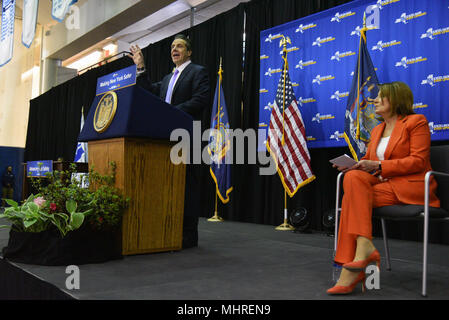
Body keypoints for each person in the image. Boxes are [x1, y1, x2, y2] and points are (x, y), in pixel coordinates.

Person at [327, 81, 440, 295]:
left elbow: (418, 161)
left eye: (381, 96)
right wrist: (355, 164)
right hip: (381, 185)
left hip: (410, 188)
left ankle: (350, 267)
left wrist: (378, 166)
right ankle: (363, 251)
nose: (374, 100)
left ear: (396, 99)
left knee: (351, 199)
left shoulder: (416, 122)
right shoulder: (377, 129)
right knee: (352, 178)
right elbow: (369, 163)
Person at [129, 34, 210, 249]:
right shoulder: (167, 79)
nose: (175, 49)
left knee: (188, 188)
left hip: (188, 138)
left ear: (189, 52)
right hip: (166, 140)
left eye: (180, 46)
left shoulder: (198, 72)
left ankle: (188, 237)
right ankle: (169, 230)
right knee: (169, 185)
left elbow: (200, 100)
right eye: (173, 46)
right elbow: (150, 93)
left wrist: (170, 112)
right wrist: (141, 67)